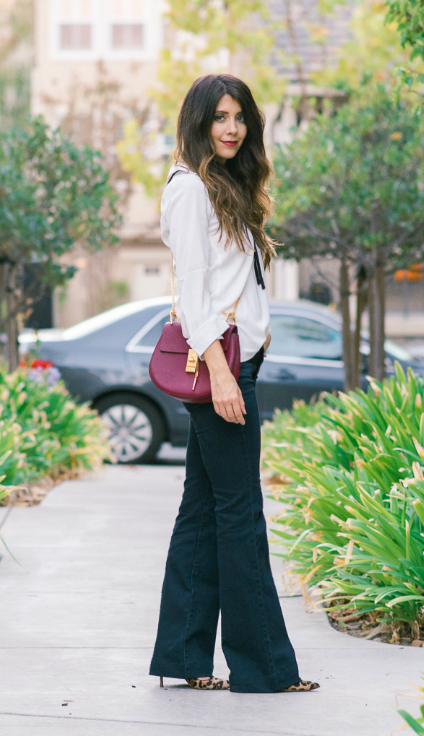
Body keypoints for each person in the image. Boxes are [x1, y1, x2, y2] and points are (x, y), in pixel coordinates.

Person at [149, 74, 319, 694]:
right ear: (198, 120)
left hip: (237, 360)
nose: (231, 127)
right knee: (241, 514)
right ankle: (265, 668)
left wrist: (255, 337)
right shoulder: (190, 190)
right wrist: (221, 372)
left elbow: (230, 284)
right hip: (219, 367)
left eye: (240, 116)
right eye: (219, 116)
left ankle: (183, 657)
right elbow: (193, 293)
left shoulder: (223, 187)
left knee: (203, 511)